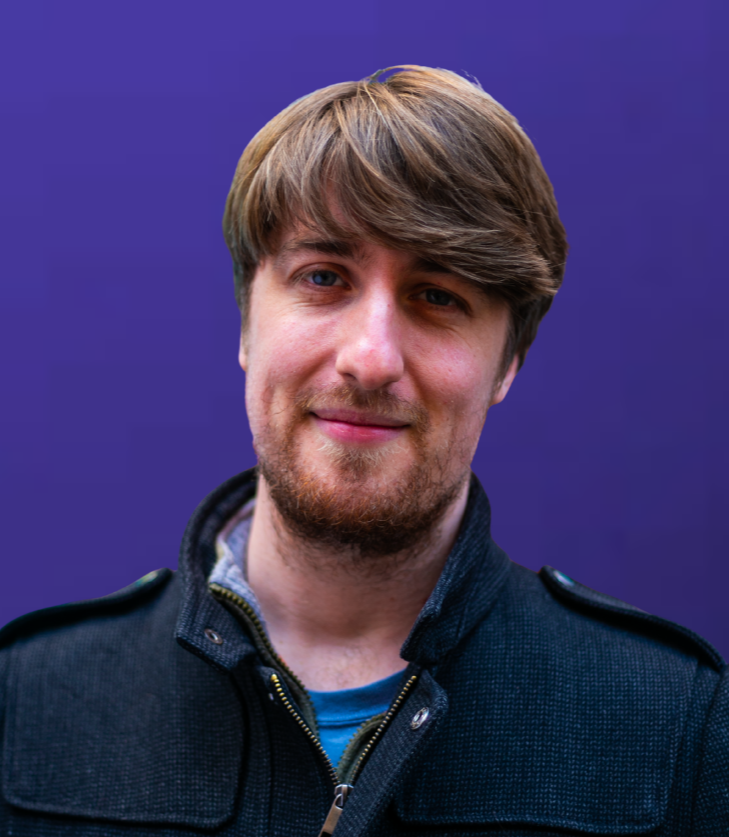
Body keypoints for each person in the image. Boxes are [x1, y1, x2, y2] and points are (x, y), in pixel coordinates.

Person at [0, 66, 726, 837]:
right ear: (246, 324)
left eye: (438, 295)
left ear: (507, 363)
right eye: (323, 277)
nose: (370, 358)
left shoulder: (678, 727)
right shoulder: (26, 700)